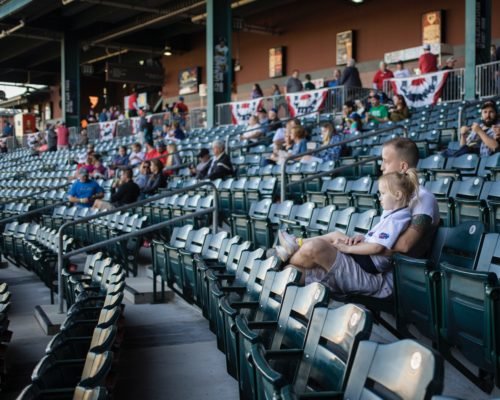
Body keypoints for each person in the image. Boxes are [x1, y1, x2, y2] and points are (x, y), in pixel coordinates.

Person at [272, 137, 439, 297]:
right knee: (292, 273)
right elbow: (385, 235)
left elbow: (404, 245)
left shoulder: (422, 197)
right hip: (366, 262)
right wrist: (363, 240)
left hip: (380, 277)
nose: (382, 167)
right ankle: (287, 256)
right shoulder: (397, 197)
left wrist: (358, 246)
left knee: (315, 247)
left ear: (402, 166)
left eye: (386, 161)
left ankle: (282, 258)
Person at [277, 168, 419, 298]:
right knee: (333, 237)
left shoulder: (397, 218)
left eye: (382, 194)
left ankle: (287, 254)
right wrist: (363, 237)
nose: (379, 198)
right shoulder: (393, 214)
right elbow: (377, 239)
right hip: (364, 260)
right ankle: (296, 243)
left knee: (312, 249)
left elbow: (378, 247)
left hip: (369, 267)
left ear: (398, 195)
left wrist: (348, 248)